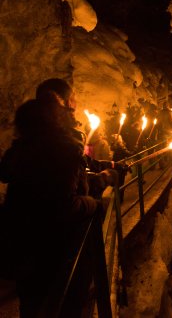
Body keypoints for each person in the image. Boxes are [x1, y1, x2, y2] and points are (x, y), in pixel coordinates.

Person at [0, 98, 103, 317]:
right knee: (64, 303)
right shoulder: (62, 151)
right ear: (55, 119)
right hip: (55, 249)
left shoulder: (21, 151)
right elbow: (65, 204)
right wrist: (93, 203)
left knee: (31, 304)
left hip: (23, 244)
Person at [36, 78, 124, 199]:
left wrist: (111, 164)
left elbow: (82, 164)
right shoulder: (62, 141)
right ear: (66, 103)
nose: (75, 105)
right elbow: (68, 194)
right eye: (73, 99)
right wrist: (103, 179)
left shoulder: (32, 135)